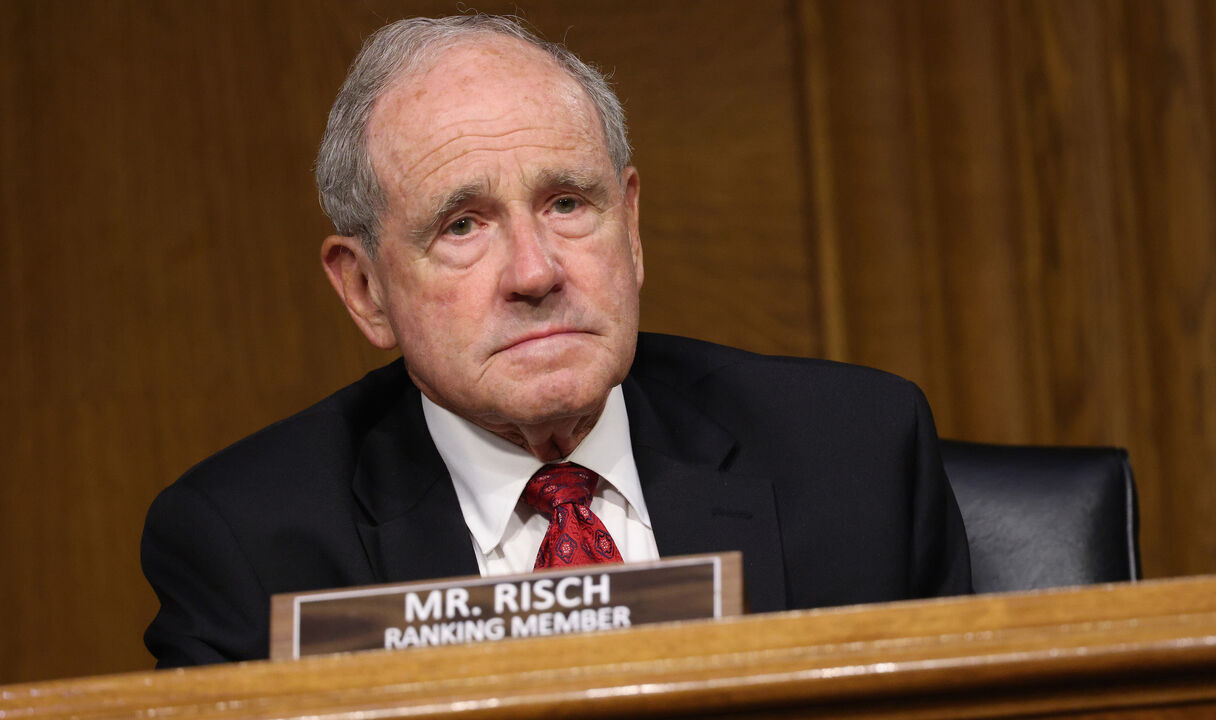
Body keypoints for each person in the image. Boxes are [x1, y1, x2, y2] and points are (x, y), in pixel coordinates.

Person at [141, 14, 971, 668]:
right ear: (365, 290)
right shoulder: (251, 547)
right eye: (462, 225)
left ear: (633, 227)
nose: (535, 273)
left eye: (568, 204)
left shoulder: (853, 453)